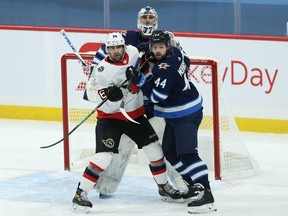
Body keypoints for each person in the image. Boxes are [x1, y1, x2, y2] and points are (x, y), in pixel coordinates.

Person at [72, 32, 183, 212]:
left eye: (118, 47)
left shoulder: (132, 52)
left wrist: (145, 62)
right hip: (110, 119)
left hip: (135, 116)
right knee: (104, 157)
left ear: (124, 46)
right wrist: (108, 95)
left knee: (155, 150)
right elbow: (90, 93)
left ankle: (163, 187)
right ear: (107, 50)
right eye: (112, 48)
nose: (116, 51)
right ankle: (80, 194)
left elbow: (145, 61)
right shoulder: (101, 71)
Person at [125, 30, 217, 214]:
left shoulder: (164, 68)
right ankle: (194, 187)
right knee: (170, 152)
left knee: (188, 155)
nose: (158, 51)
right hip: (179, 112)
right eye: (155, 47)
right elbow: (188, 61)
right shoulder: (178, 53)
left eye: (161, 47)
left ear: (168, 46)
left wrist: (142, 80)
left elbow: (157, 97)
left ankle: (207, 195)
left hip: (185, 115)